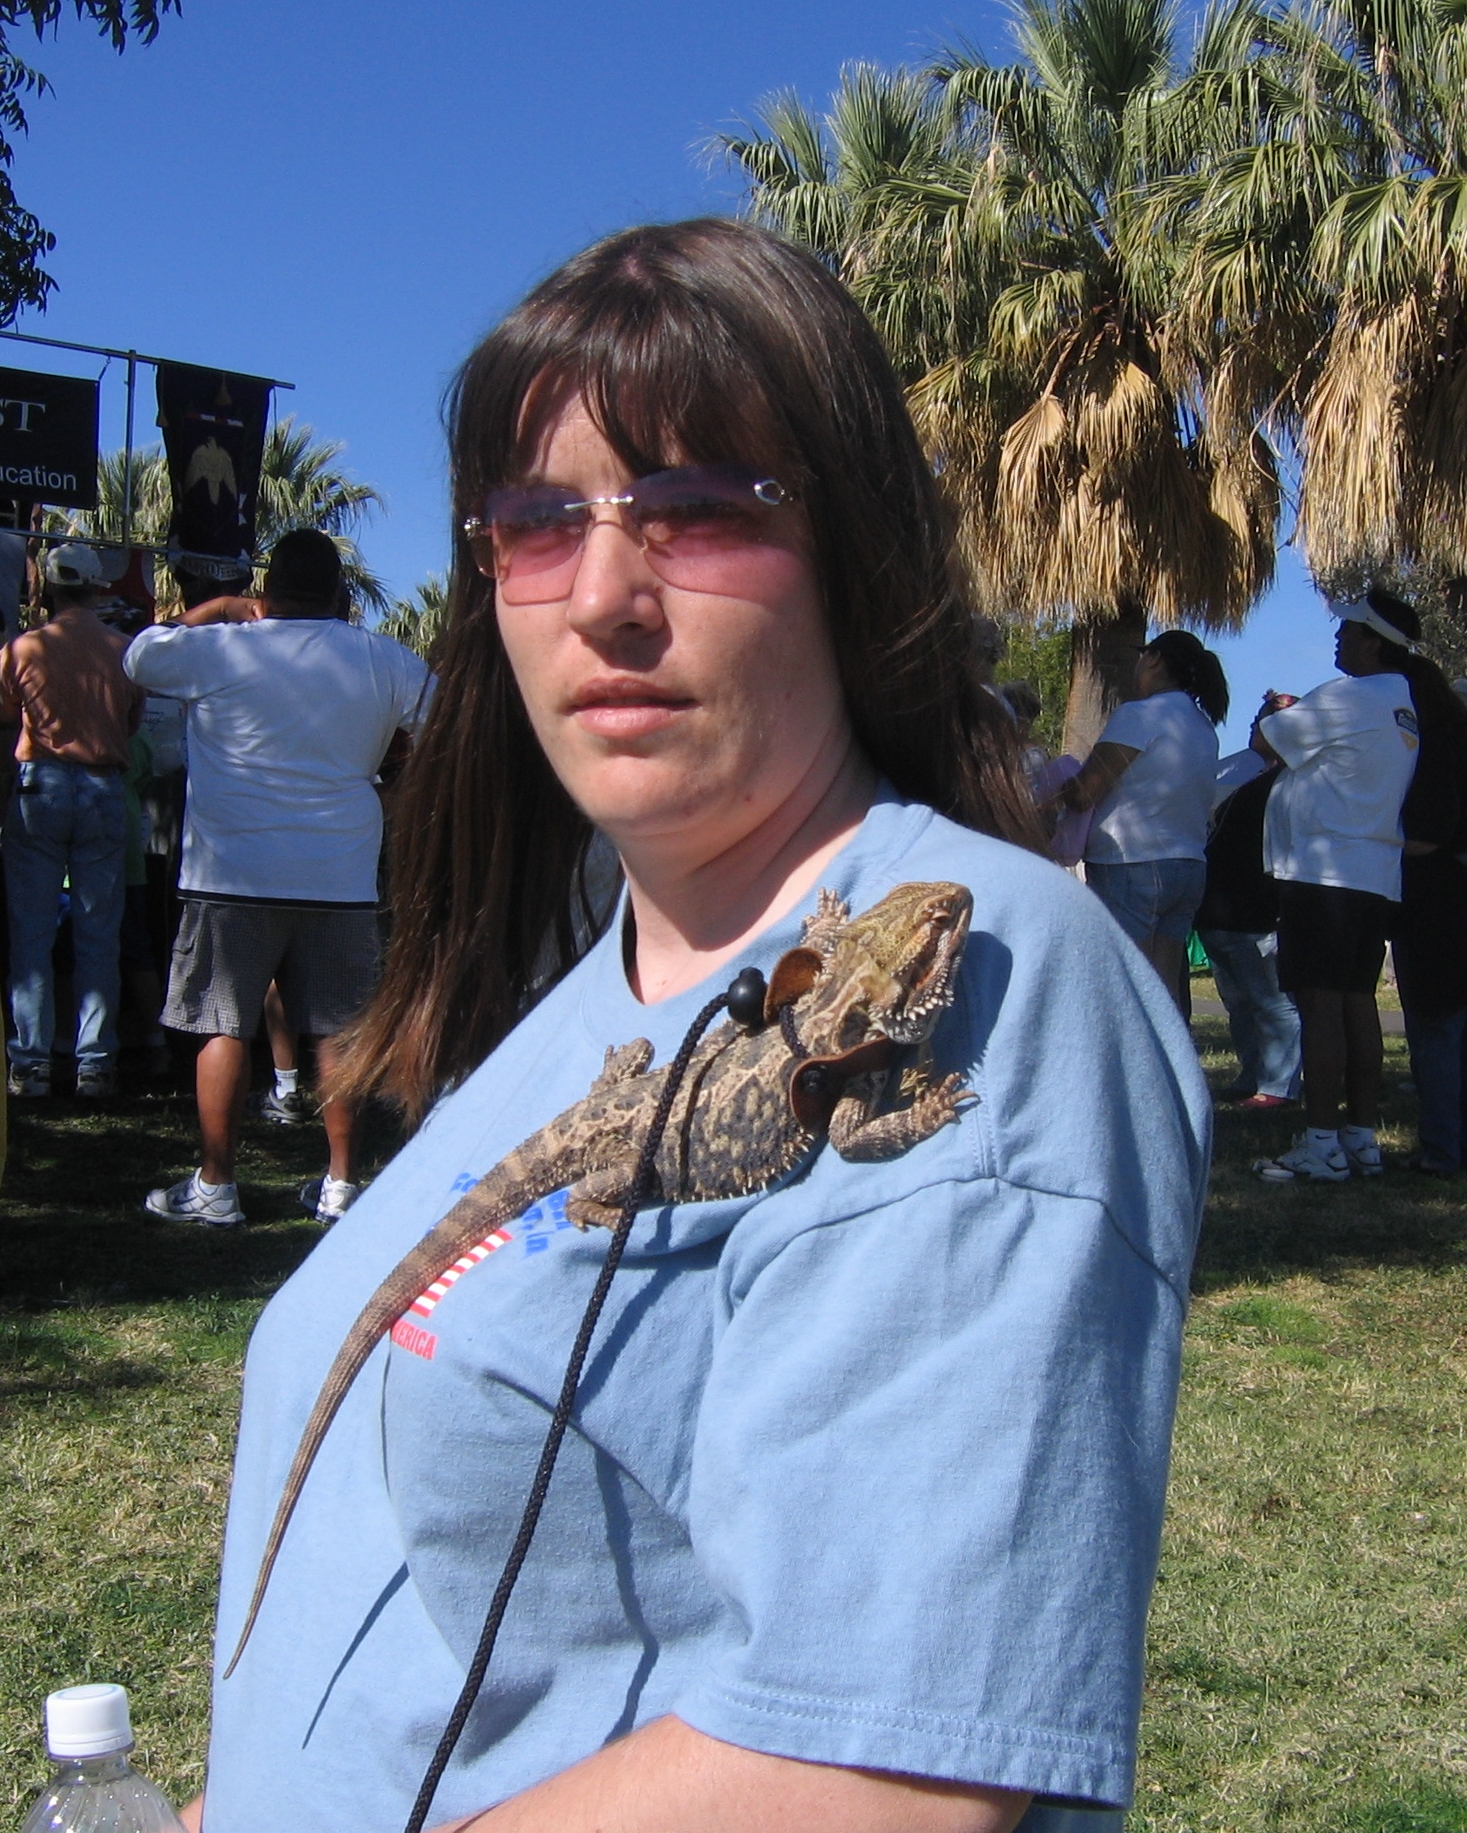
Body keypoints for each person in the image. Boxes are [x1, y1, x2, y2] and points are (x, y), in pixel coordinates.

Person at [195, 220, 1210, 1833]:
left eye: (701, 509)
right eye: (535, 525)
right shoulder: (607, 985)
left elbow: (874, 1771)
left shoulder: (1002, 984)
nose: (604, 594)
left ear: (852, 553)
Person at [122, 530, 432, 1225]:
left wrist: (216, 608)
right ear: (339, 593)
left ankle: (216, 1186)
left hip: (230, 874)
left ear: (267, 591)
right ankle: (341, 1184)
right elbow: (446, 723)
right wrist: (393, 787)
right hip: (339, 874)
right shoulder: (383, 658)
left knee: (223, 1027)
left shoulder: (223, 648)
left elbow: (139, 655)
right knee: (337, 1030)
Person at [1250, 594, 1419, 1183]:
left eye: (1348, 629)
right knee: (1356, 1002)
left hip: (1323, 873)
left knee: (1319, 1004)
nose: (1338, 638)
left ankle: (1321, 1142)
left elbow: (1267, 742)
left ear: (1374, 641)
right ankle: (1360, 1137)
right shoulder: (1400, 704)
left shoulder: (1349, 695)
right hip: (1373, 875)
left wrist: (1276, 713)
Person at [0, 541, 144, 1098]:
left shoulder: (22, 649)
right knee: (98, 933)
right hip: (103, 787)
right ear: (96, 587)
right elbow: (131, 722)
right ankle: (94, 1063)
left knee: (31, 932)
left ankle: (31, 1062)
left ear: (48, 588)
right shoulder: (123, 652)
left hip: (41, 784)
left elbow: (7, 714)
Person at [1062, 629, 1228, 1007]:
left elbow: (1086, 792)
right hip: (1188, 863)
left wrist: (1054, 784)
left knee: (1125, 986)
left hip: (1132, 862)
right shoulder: (1203, 726)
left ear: (1153, 659)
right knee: (1165, 988)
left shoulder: (1139, 714)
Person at [1370, 596, 1467, 1174]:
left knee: (1436, 1025)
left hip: (1436, 900)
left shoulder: (1431, 742)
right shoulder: (1453, 731)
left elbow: (1430, 829)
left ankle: (1443, 1148)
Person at [1194, 734, 1301, 1109]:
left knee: (1272, 1003)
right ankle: (1251, 1075)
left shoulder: (1292, 783)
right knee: (1239, 1004)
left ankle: (1280, 1086)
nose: (1259, 727)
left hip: (1255, 912)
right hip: (1218, 909)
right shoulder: (1245, 779)